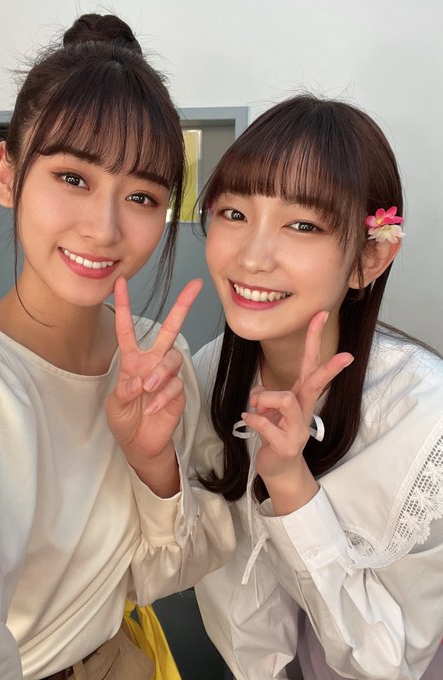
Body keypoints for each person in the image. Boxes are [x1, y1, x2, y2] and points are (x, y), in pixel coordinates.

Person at [0, 13, 234, 680]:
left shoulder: (157, 358)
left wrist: (152, 465)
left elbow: (170, 573)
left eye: (142, 195)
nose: (103, 228)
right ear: (7, 174)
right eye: (73, 178)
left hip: (123, 659)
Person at [192, 94, 443, 679]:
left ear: (370, 258)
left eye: (302, 225)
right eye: (234, 213)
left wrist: (290, 484)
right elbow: (233, 603)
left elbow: (389, 662)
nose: (253, 258)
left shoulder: (422, 420)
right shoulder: (206, 374)